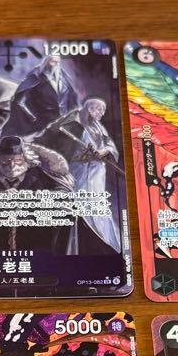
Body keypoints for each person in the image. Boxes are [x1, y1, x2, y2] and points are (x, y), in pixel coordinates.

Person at [63, 97, 121, 252]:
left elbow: (109, 145)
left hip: (97, 173)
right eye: (99, 110)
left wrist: (104, 151)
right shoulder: (72, 125)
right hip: (79, 171)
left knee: (97, 203)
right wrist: (83, 157)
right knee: (80, 202)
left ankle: (104, 240)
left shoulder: (98, 126)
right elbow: (65, 151)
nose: (102, 114)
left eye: (103, 110)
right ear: (90, 109)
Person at [2, 54, 79, 139]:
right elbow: (19, 97)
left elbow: (71, 96)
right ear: (46, 62)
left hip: (60, 118)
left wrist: (73, 111)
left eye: (58, 62)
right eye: (53, 61)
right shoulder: (36, 76)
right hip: (42, 120)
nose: (56, 64)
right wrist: (30, 116)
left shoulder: (62, 77)